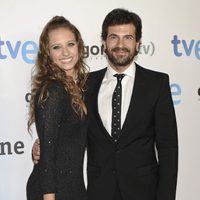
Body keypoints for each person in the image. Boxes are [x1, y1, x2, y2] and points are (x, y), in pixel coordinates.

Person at [33, 8, 178, 200]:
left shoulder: (157, 83)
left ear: (138, 44)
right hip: (98, 192)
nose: (120, 44)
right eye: (113, 37)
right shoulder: (84, 85)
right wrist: (43, 144)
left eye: (128, 37)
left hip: (143, 192)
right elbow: (69, 129)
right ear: (104, 43)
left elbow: (168, 148)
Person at [26, 16, 88, 200]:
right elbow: (49, 150)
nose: (65, 53)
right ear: (47, 53)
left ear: (79, 46)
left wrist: (40, 144)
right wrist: (49, 196)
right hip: (53, 191)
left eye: (70, 44)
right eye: (56, 47)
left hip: (72, 186)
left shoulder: (79, 85)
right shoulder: (54, 89)